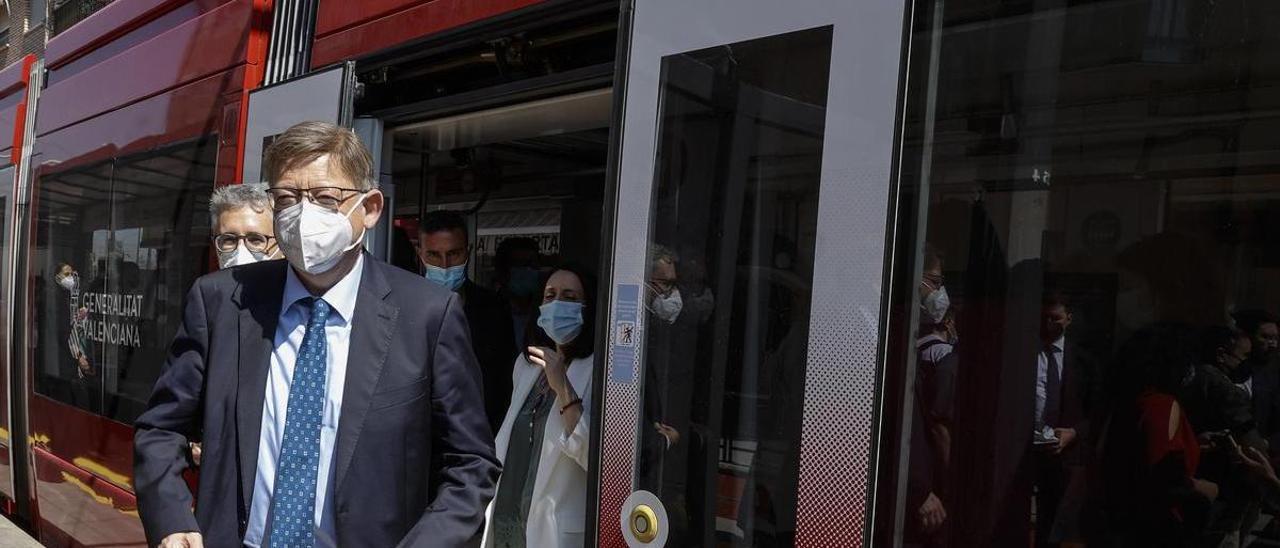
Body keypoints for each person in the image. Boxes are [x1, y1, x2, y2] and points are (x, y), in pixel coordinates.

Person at [133, 121, 499, 548]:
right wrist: (173, 517)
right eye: (287, 198)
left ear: (371, 208)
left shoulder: (428, 314)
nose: (303, 214)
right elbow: (161, 428)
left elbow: (471, 463)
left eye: (326, 197)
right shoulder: (222, 301)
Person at [484, 265, 595, 547]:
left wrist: (563, 386)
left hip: (554, 532)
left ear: (588, 307)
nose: (558, 304)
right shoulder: (527, 366)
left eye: (570, 297)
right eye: (550, 295)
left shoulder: (598, 370)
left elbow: (596, 460)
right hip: (507, 524)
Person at [1097, 324, 1217, 547]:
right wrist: (1205, 489)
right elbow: (1163, 480)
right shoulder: (1162, 405)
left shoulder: (1127, 400)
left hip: (1121, 521)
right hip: (1155, 530)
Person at [417, 209, 518, 434]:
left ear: (468, 252)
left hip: (476, 439)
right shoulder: (400, 308)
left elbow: (503, 383)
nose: (444, 265)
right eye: (434, 254)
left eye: (453, 254)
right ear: (420, 254)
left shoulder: (494, 309)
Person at [1180, 325, 1266, 547]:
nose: (1244, 362)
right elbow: (1247, 434)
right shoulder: (1221, 386)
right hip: (1220, 482)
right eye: (1242, 356)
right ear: (1221, 354)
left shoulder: (1190, 377)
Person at [1031, 293, 1100, 548]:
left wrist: (1073, 432)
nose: (1049, 324)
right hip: (1025, 451)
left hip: (1064, 456)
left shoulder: (1084, 361)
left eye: (1055, 318)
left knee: (1057, 525)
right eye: (1044, 318)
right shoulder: (1022, 354)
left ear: (1068, 319)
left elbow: (1097, 412)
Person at [210, 183, 279, 269]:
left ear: (282, 244)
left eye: (255, 240)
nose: (240, 252)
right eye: (229, 240)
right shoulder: (205, 282)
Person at [494, 237, 542, 350]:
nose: (531, 271)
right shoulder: (489, 314)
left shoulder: (544, 313)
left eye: (534, 265)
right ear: (505, 272)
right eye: (524, 265)